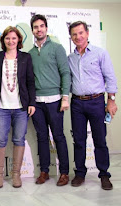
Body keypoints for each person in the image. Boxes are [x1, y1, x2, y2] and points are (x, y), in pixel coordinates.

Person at [68, 21, 118, 190]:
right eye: (74, 34)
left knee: (100, 141)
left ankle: (104, 174)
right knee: (79, 141)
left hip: (97, 102)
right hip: (77, 104)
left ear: (87, 33)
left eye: (81, 33)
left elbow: (110, 77)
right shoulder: (70, 58)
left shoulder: (99, 53)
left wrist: (111, 100)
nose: (78, 37)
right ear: (71, 37)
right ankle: (80, 173)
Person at [0, 26, 36, 188]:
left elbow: (30, 82)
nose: (11, 41)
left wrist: (32, 103)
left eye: (14, 38)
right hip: (1, 107)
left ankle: (16, 174)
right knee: (0, 139)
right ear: (3, 40)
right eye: (7, 38)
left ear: (18, 40)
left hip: (21, 107)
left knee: (18, 139)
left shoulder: (25, 58)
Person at [28, 14, 71, 186]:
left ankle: (64, 173)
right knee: (42, 137)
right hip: (37, 102)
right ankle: (44, 171)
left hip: (55, 101)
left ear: (46, 28)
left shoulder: (57, 48)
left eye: (41, 26)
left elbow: (65, 73)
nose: (39, 29)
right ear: (32, 30)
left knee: (59, 136)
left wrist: (65, 97)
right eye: (36, 27)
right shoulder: (29, 53)